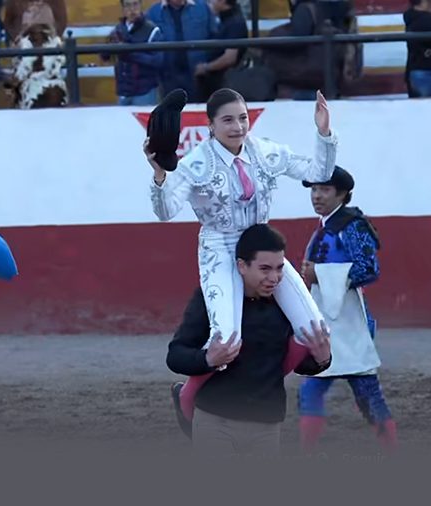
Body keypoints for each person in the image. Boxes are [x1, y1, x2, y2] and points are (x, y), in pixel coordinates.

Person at [145, 87, 337, 435]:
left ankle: (263, 382)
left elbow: (318, 173)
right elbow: (166, 211)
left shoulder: (263, 151)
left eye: (243, 118)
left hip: (261, 247)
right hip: (220, 249)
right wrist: (160, 175)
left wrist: (323, 133)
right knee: (227, 341)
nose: (238, 127)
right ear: (211, 125)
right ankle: (187, 395)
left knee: (314, 330)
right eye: (228, 120)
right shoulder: (196, 163)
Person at [166, 224, 332, 455]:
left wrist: (322, 360)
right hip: (216, 420)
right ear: (242, 266)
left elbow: (294, 363)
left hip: (266, 424)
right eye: (265, 269)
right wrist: (207, 359)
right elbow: (176, 355)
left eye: (279, 269)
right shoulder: (213, 300)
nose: (274, 278)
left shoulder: (285, 305)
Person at [296, 166, 397, 453]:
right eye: (314, 189)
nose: (317, 196)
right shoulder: (327, 224)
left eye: (324, 190)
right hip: (328, 322)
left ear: (341, 194)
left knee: (367, 394)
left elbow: (369, 269)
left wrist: (320, 274)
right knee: (311, 389)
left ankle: (392, 452)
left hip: (349, 325)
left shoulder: (352, 225)